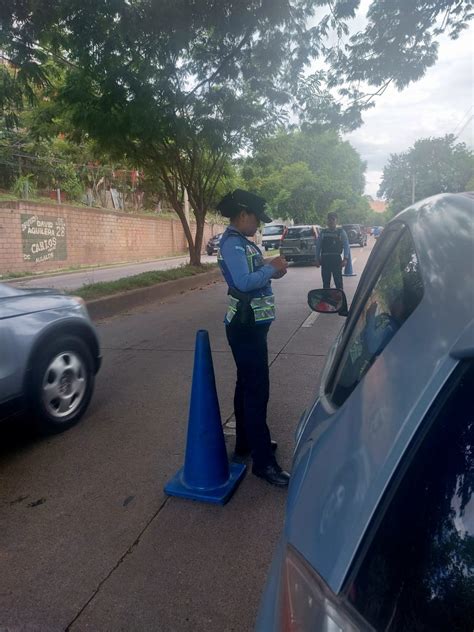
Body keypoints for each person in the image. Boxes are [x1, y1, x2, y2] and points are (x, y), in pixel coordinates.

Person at [216, 189, 290, 487]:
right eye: (257, 220)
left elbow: (253, 271)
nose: (258, 226)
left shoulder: (243, 244)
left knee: (245, 384)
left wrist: (271, 268)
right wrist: (270, 269)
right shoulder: (233, 245)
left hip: (251, 325)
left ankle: (246, 443)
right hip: (245, 328)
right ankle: (263, 462)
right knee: (257, 390)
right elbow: (243, 283)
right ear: (244, 215)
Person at [315, 212, 350, 289]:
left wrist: (345, 259)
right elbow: (318, 247)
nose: (331, 221)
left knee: (338, 282)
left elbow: (346, 246)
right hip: (325, 260)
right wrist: (317, 259)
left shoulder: (341, 232)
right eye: (329, 219)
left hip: (336, 260)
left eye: (333, 219)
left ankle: (340, 299)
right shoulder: (323, 233)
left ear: (336, 221)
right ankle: (326, 299)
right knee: (326, 283)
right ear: (327, 221)